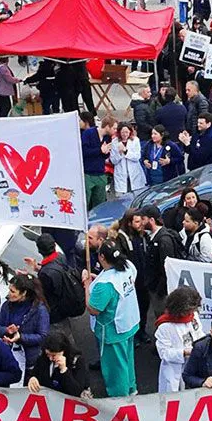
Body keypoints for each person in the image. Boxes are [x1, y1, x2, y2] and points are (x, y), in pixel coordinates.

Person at [83, 240, 139, 397]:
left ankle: (119, 398)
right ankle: (131, 388)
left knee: (115, 368)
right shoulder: (127, 266)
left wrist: (87, 285)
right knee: (127, 360)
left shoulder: (105, 285)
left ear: (101, 257)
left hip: (113, 330)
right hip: (129, 321)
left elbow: (93, 309)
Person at [155, 285, 205, 393]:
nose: (190, 313)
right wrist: (184, 352)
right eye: (188, 311)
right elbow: (164, 353)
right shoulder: (165, 326)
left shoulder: (193, 316)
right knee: (173, 398)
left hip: (194, 363)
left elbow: (199, 332)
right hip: (175, 368)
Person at [80, 112, 114, 209]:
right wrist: (100, 150)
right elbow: (84, 152)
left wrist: (106, 152)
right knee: (86, 201)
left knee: (99, 202)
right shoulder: (89, 133)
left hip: (100, 172)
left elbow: (105, 155)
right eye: (114, 128)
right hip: (88, 173)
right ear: (107, 126)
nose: (115, 131)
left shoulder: (108, 137)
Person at [109, 122, 145, 195]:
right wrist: (120, 153)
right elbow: (113, 160)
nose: (125, 134)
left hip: (135, 173)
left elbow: (137, 157)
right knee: (121, 198)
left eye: (126, 132)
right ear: (119, 132)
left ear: (130, 132)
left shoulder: (135, 140)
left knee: (137, 196)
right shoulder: (115, 142)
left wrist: (126, 152)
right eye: (122, 132)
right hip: (121, 175)